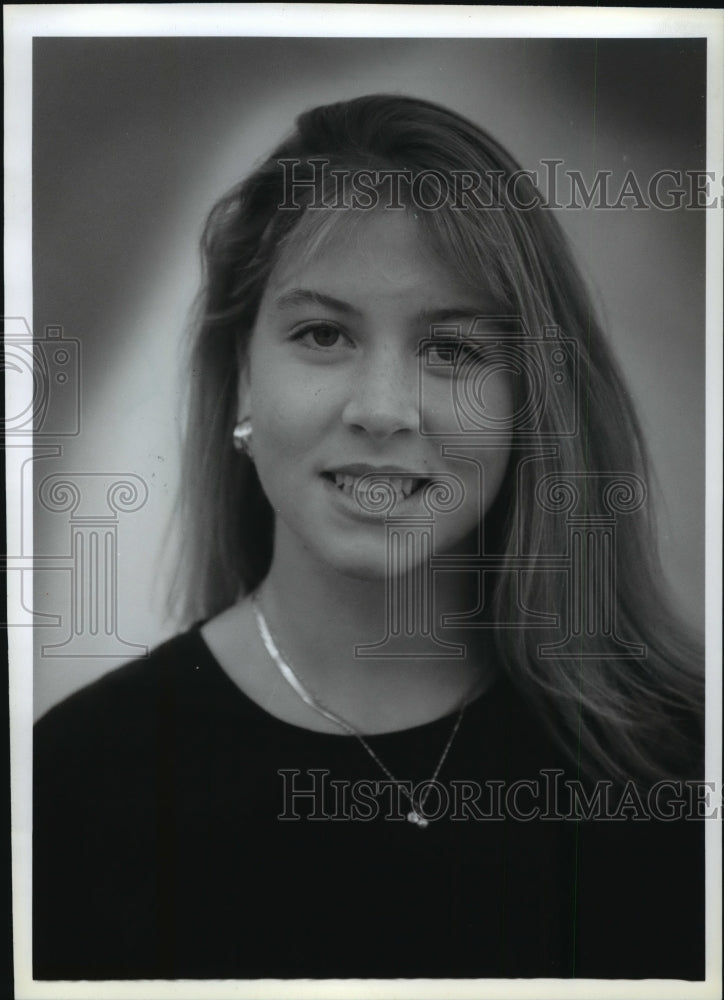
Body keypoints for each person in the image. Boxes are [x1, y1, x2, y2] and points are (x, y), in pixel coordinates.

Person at [34, 94, 705, 981]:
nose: (382, 409)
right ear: (239, 379)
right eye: (323, 334)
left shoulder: (678, 772)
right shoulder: (78, 784)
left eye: (454, 351)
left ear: (528, 406)